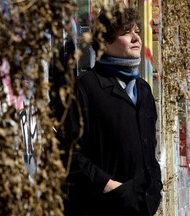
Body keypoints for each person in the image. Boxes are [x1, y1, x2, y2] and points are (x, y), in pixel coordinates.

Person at [60, 4, 162, 216]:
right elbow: (68, 153)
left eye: (137, 31)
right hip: (103, 207)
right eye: (126, 33)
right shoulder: (87, 86)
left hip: (142, 208)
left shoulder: (143, 90)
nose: (136, 38)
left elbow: (148, 150)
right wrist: (108, 186)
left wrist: (155, 188)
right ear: (104, 43)